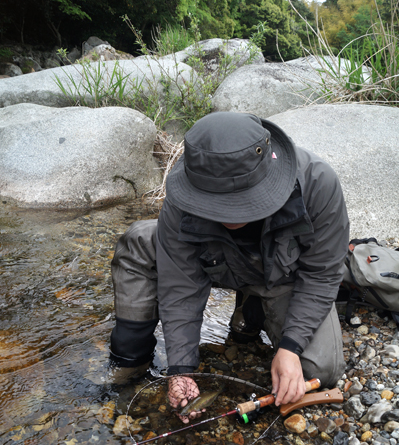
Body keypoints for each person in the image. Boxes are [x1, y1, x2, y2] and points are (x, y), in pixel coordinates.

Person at [110, 112, 349, 422]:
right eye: (215, 203)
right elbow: (180, 285)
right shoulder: (182, 198)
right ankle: (129, 362)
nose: (229, 215)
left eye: (240, 202)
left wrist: (290, 347)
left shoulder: (318, 184)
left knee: (320, 371)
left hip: (280, 278)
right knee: (141, 238)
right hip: (216, 265)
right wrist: (180, 368)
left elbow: (322, 274)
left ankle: (252, 308)